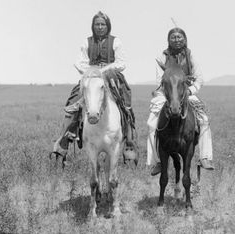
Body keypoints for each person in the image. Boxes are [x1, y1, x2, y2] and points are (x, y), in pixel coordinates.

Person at [52, 11, 137, 161]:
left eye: (102, 24)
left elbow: (121, 62)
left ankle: (129, 142)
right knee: (74, 102)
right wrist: (91, 71)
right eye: (97, 24)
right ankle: (64, 140)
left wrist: (104, 70)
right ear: (93, 26)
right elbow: (80, 62)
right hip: (90, 77)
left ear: (108, 26)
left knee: (124, 102)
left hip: (111, 76)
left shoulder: (116, 41)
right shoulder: (86, 42)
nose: (99, 27)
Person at [146, 27, 214, 176]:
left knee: (204, 120)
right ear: (168, 40)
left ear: (184, 39)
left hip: (187, 93)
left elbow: (199, 78)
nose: (176, 40)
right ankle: (155, 161)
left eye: (179, 37)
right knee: (151, 123)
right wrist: (170, 94)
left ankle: (205, 157)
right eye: (173, 37)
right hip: (167, 94)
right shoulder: (162, 56)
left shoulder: (190, 56)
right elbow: (160, 80)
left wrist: (190, 90)